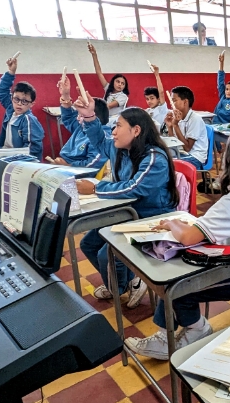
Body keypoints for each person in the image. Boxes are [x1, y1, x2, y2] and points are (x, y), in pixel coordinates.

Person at [124, 49, 230, 359]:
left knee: (176, 286)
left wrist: (171, 222)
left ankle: (196, 330)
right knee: (179, 270)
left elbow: (186, 236)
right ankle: (168, 333)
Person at [73, 95, 179, 309]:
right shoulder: (121, 148)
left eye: (118, 126)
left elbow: (134, 187)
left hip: (154, 217)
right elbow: (100, 141)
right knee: (88, 243)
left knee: (107, 254)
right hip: (128, 211)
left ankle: (124, 283)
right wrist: (89, 117)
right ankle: (124, 283)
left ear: (136, 130)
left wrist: (95, 188)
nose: (113, 131)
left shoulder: (154, 157)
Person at [51, 75, 108, 168]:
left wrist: (68, 165)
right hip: (64, 166)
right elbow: (68, 118)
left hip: (78, 173)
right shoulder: (82, 127)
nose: (77, 118)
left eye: (81, 115)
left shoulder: (101, 137)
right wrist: (65, 95)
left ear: (93, 116)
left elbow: (94, 164)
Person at [0, 54, 44, 158]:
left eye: (25, 101)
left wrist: (13, 160)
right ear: (12, 98)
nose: (19, 103)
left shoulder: (29, 120)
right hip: (4, 152)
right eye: (17, 99)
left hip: (19, 159)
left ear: (32, 104)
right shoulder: (10, 108)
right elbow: (1, 91)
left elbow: (32, 149)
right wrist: (11, 72)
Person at [165, 86, 209, 169]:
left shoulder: (195, 119)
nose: (171, 104)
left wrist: (175, 125)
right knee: (161, 161)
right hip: (181, 153)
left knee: (169, 167)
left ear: (185, 102)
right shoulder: (178, 117)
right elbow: (174, 142)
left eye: (174, 100)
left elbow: (188, 148)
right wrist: (170, 126)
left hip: (195, 157)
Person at [88, 42, 129, 120]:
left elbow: (108, 106)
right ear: (113, 82)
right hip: (105, 118)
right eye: (118, 81)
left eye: (123, 83)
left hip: (115, 120)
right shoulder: (108, 89)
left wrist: (91, 108)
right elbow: (99, 72)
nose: (120, 84)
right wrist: (94, 55)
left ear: (124, 87)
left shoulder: (123, 96)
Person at [144, 63, 169, 129]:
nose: (149, 101)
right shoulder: (147, 111)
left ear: (158, 99)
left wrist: (157, 75)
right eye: (147, 99)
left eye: (152, 98)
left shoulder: (161, 109)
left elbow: (161, 92)